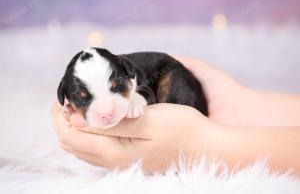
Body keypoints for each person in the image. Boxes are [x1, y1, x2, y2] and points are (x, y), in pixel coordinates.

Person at [52, 56, 300, 175]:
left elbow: (144, 94)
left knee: (171, 85)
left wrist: (201, 145)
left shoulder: (140, 75)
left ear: (127, 75)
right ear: (67, 97)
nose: (105, 110)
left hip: (179, 88)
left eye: (116, 86)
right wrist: (238, 102)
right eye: (84, 97)